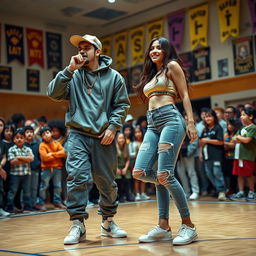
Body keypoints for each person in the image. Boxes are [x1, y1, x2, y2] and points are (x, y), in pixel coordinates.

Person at [47, 34, 130, 245]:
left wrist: (113, 128)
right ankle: (77, 224)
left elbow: (122, 106)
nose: (82, 50)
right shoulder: (73, 75)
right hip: (77, 134)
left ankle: (108, 221)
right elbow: (53, 93)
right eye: (80, 47)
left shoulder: (114, 78)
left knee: (107, 182)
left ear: (98, 52)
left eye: (87, 47)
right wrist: (68, 70)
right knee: (77, 176)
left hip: (104, 136)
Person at [132, 37, 198, 245]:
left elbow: (185, 95)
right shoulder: (152, 75)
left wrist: (191, 122)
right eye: (151, 48)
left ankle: (188, 226)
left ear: (166, 50)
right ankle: (163, 227)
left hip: (170, 119)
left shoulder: (172, 66)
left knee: (164, 174)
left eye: (159, 47)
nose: (154, 51)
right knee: (140, 172)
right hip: (152, 124)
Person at [199, 109, 227, 201]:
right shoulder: (204, 130)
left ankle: (222, 191)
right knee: (209, 174)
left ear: (214, 117)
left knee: (217, 173)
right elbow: (201, 142)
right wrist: (200, 153)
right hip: (206, 156)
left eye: (209, 116)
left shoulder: (218, 128)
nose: (207, 118)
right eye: (206, 116)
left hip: (216, 155)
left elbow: (220, 142)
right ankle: (219, 189)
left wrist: (207, 140)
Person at [230, 107, 256, 201]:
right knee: (239, 174)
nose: (241, 116)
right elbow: (233, 139)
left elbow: (247, 140)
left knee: (249, 174)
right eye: (241, 114)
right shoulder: (242, 128)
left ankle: (252, 191)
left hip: (247, 156)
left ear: (251, 116)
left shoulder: (253, 127)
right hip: (238, 156)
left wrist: (239, 138)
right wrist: (238, 138)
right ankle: (241, 192)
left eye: (244, 114)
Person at [38, 126, 66, 211]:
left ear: (51, 133)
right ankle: (41, 203)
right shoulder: (42, 145)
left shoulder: (57, 144)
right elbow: (44, 158)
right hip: (46, 169)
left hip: (57, 168)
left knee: (57, 186)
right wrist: (56, 154)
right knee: (44, 186)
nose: (46, 135)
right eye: (43, 134)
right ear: (42, 137)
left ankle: (57, 202)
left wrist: (51, 154)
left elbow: (63, 153)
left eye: (47, 132)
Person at [6, 128, 34, 213]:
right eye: (17, 138)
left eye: (21, 137)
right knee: (12, 191)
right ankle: (9, 208)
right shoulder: (11, 149)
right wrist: (25, 159)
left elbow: (31, 159)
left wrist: (19, 157)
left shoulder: (28, 149)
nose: (19, 139)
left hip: (26, 174)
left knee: (27, 192)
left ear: (24, 139)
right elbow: (12, 162)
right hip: (15, 174)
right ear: (14, 139)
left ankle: (27, 208)